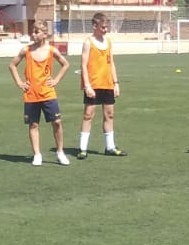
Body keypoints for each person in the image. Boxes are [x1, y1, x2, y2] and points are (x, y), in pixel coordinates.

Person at [11, 20, 70, 165]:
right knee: (33, 125)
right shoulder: (26, 50)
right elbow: (12, 65)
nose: (33, 34)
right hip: (31, 94)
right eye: (32, 31)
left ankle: (60, 152)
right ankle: (37, 154)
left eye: (36, 32)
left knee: (57, 122)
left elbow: (65, 64)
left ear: (44, 34)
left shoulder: (52, 50)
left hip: (48, 93)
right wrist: (20, 83)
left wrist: (56, 80)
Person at [78, 11, 124, 158]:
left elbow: (111, 63)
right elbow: (83, 65)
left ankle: (110, 147)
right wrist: (87, 85)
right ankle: (83, 149)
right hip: (93, 85)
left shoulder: (108, 42)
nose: (105, 30)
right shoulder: (88, 42)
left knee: (109, 115)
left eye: (106, 27)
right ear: (95, 26)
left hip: (107, 84)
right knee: (88, 115)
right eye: (103, 27)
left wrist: (116, 83)